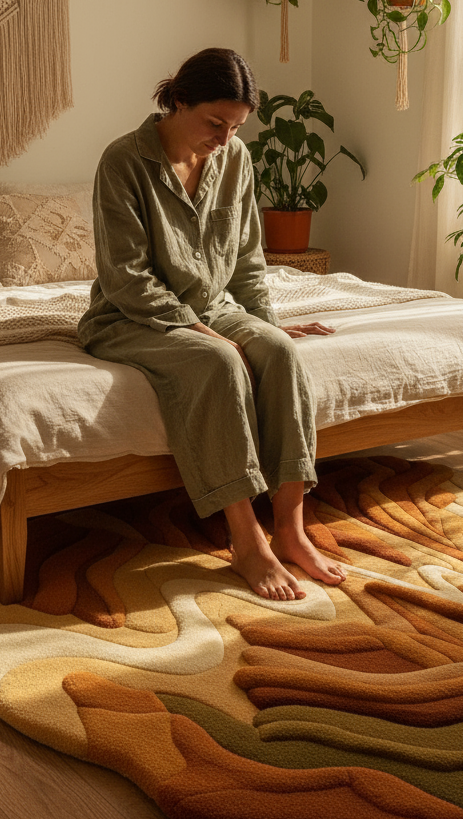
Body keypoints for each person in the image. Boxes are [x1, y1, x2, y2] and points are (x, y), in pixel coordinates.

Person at [79, 47, 346, 602]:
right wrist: (203, 332)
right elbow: (127, 278)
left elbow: (247, 261)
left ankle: (292, 530)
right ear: (178, 100)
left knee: (278, 352)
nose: (225, 138)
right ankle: (247, 539)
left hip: (215, 305)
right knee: (221, 360)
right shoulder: (122, 161)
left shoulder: (236, 160)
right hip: (132, 316)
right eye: (215, 123)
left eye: (236, 126)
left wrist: (262, 326)